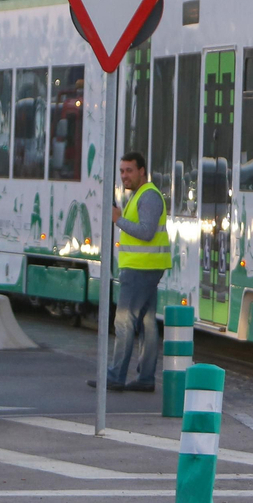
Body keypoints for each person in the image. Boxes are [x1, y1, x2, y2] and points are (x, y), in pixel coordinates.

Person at [89, 151, 170, 392]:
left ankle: (116, 375)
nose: (124, 176)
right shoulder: (139, 195)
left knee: (123, 321)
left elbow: (146, 232)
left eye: (129, 171)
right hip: (145, 267)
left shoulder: (148, 196)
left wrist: (118, 219)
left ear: (142, 171)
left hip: (140, 268)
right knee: (147, 324)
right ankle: (145, 378)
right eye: (122, 171)